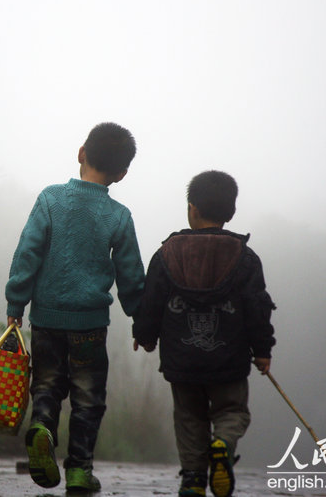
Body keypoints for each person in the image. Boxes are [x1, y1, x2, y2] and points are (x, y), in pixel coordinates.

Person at [5, 122, 145, 492]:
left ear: (81, 153)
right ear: (121, 173)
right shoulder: (119, 216)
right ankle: (80, 470)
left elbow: (27, 253)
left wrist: (16, 301)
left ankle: (42, 429)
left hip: (46, 319)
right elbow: (131, 277)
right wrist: (142, 321)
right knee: (88, 399)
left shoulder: (50, 199)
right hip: (90, 326)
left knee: (47, 386)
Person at [132, 170, 275, 497]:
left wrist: (145, 333)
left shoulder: (167, 252)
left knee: (189, 417)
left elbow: (151, 299)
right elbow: (257, 307)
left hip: (182, 360)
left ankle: (194, 479)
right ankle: (222, 444)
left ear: (191, 208)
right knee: (232, 411)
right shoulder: (245, 257)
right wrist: (263, 350)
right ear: (232, 213)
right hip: (229, 359)